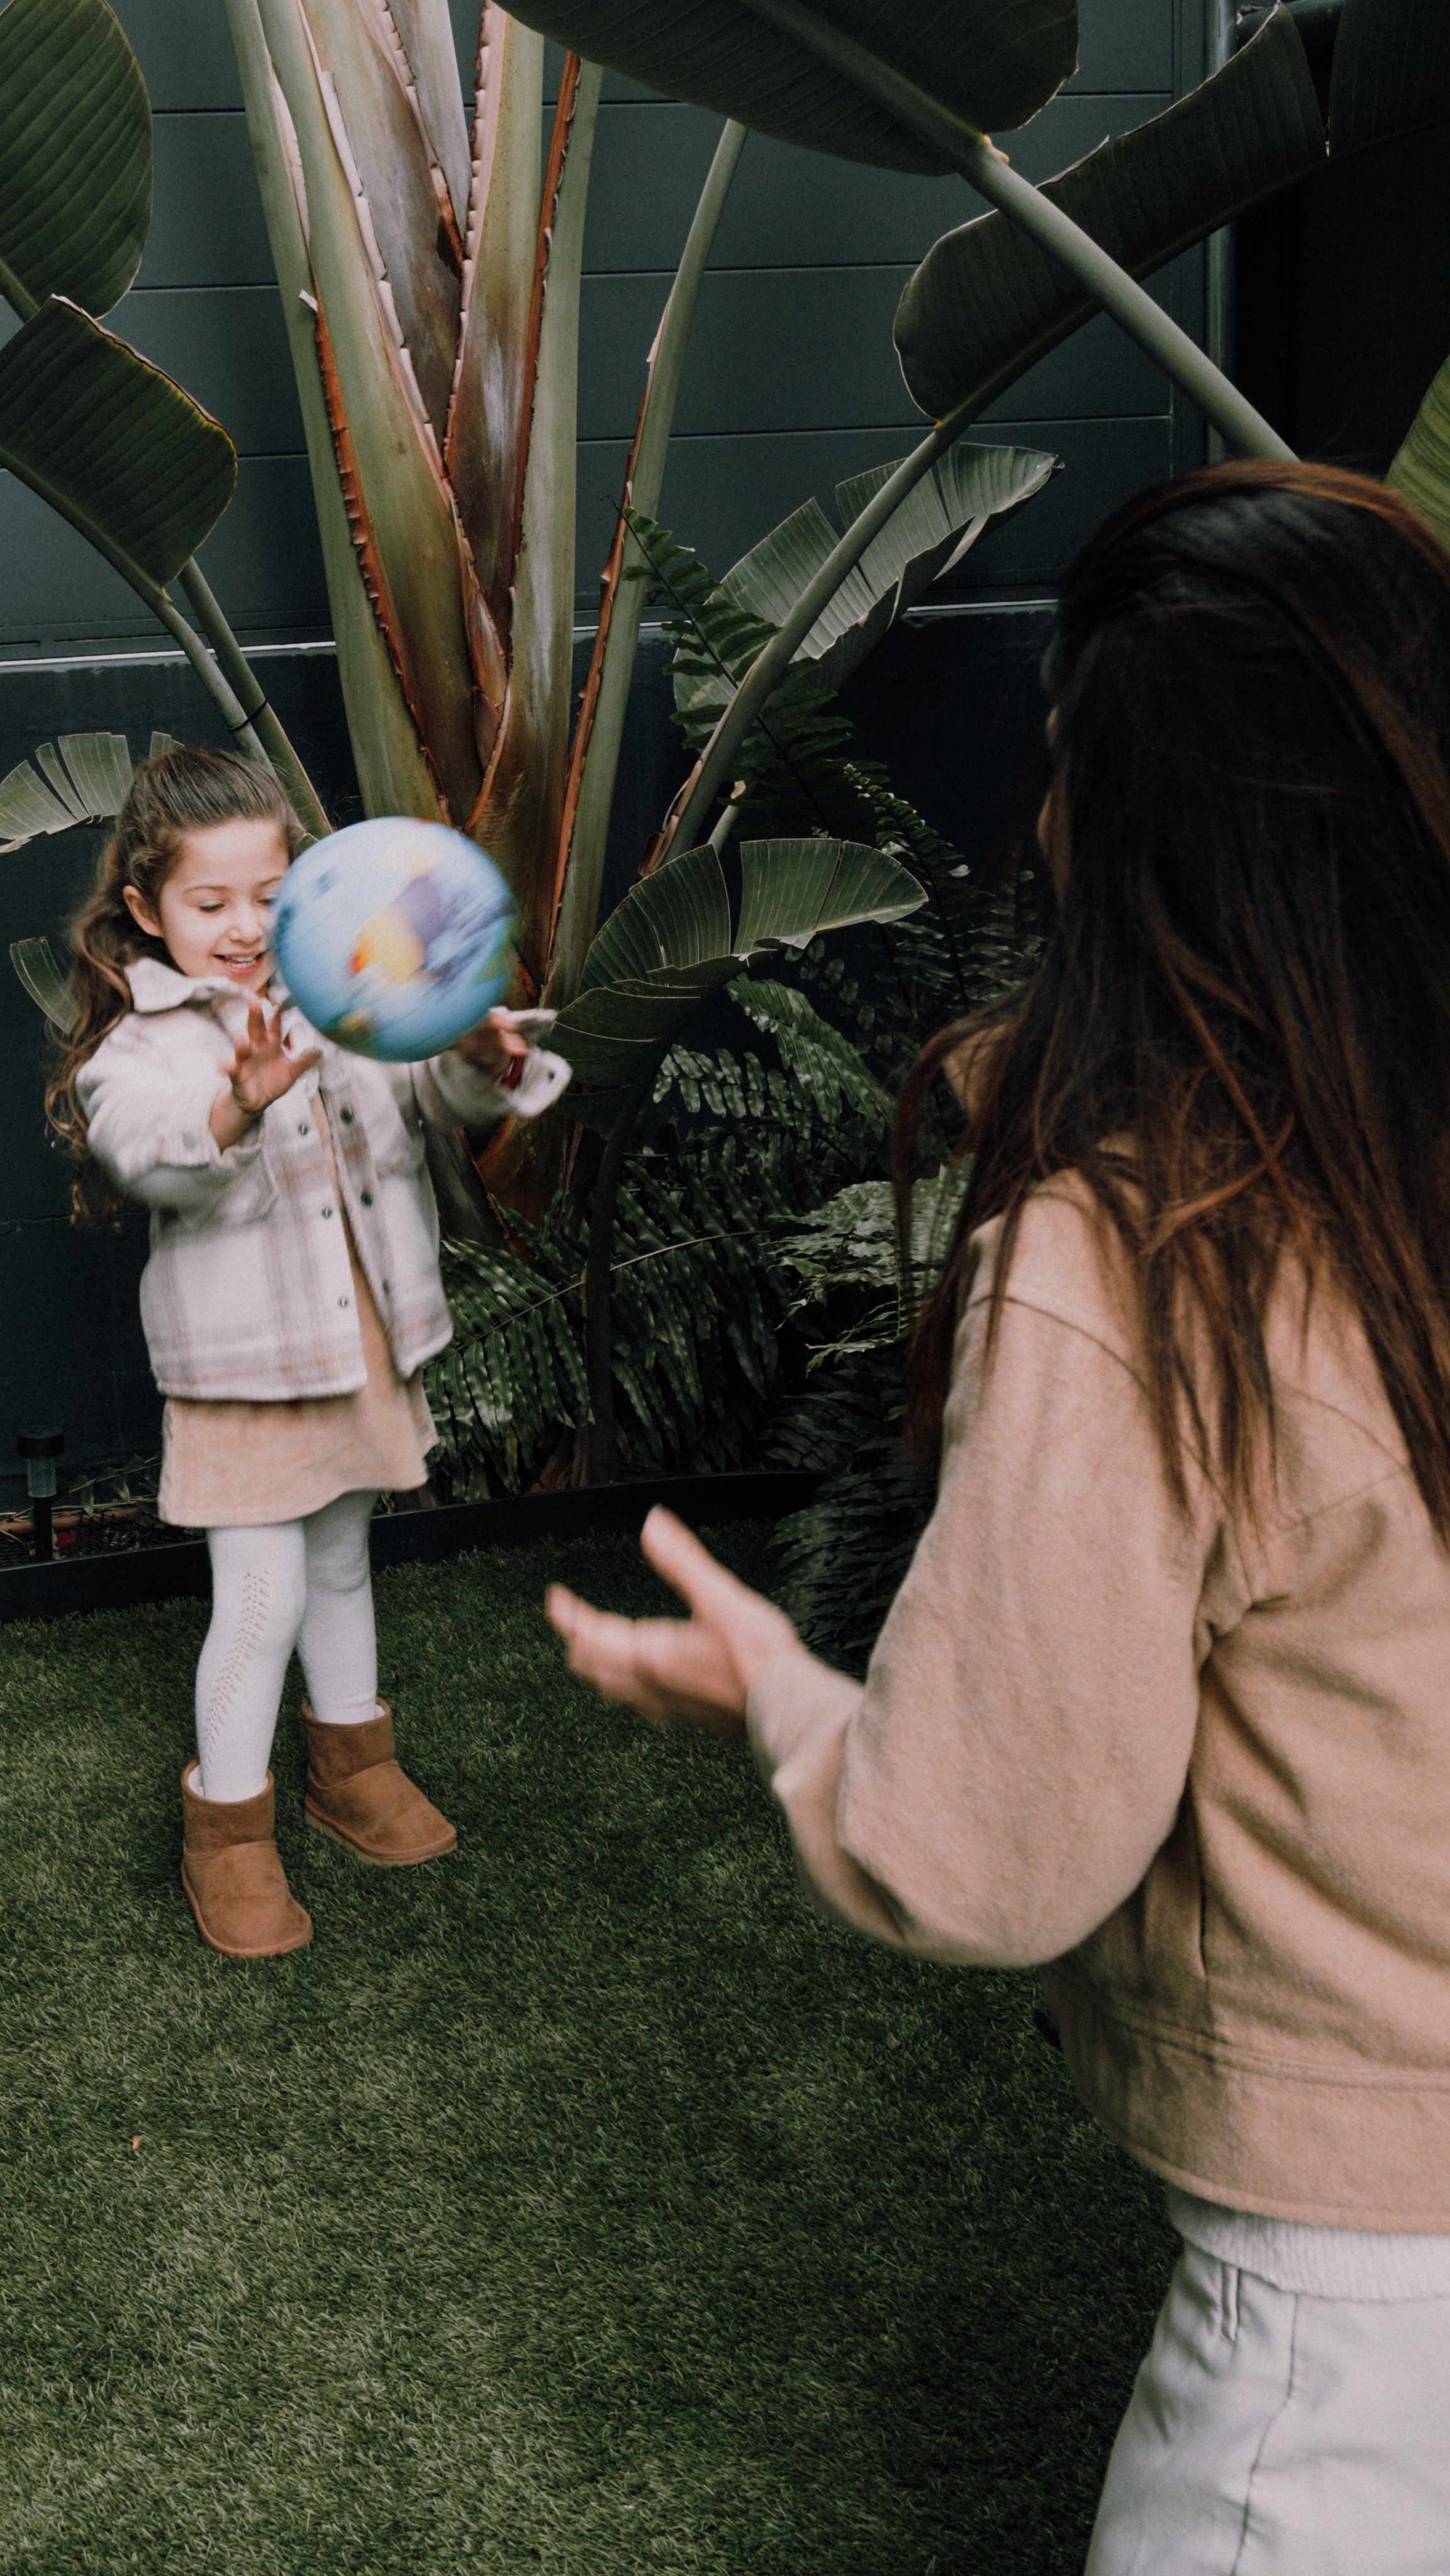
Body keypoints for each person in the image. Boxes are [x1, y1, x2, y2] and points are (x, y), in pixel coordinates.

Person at [547, 461, 1450, 2570]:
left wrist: (784, 1695)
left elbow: (978, 1854)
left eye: (1063, 765)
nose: (1037, 818)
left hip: (1356, 2319)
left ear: (1137, 831)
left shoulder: (1145, 1265)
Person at [50, 747, 569, 1962]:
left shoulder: (351, 990)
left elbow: (438, 1104)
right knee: (263, 1595)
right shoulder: (142, 1049)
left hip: (359, 1348)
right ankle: (229, 1833)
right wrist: (240, 1099)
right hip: (243, 1378)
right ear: (145, 910)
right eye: (209, 902)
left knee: (338, 1562)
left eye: (270, 897)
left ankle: (353, 1765)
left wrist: (478, 1059)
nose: (245, 928)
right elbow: (150, 1155)